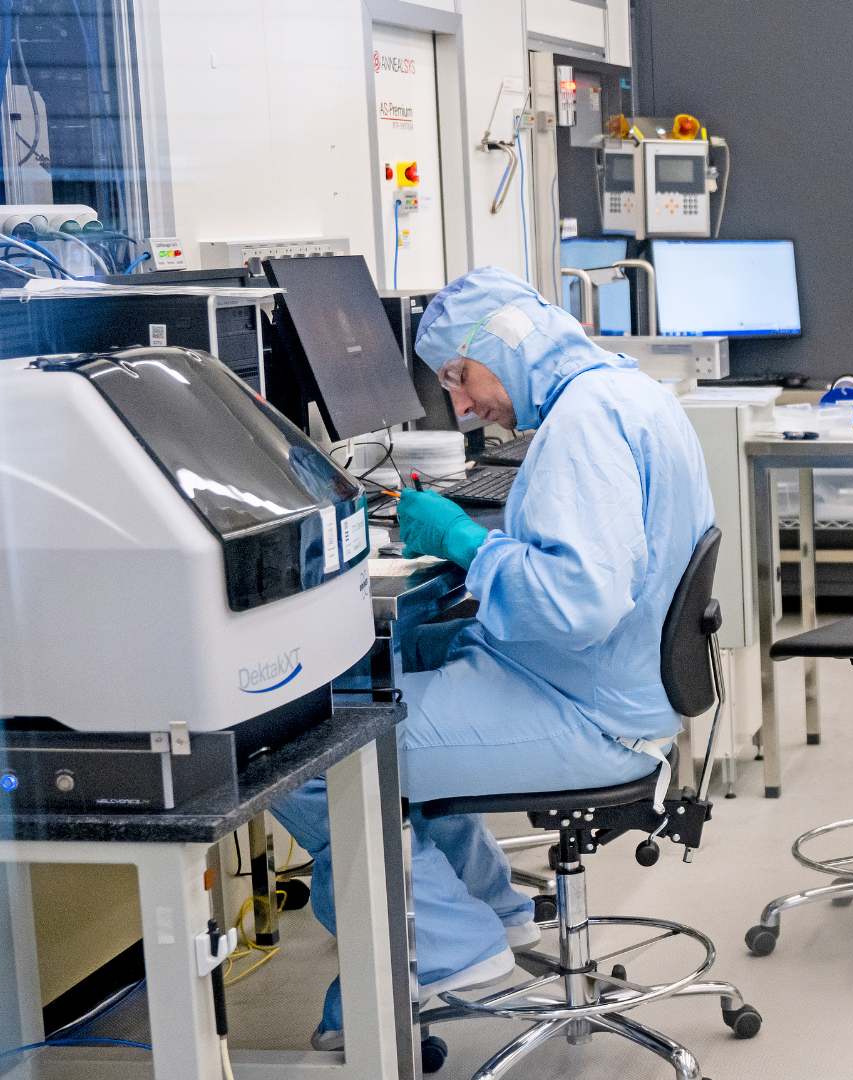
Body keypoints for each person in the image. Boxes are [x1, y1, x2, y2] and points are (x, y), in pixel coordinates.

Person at [270, 266, 716, 1048]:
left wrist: (466, 541)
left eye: (459, 377)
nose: (463, 404)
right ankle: (492, 908)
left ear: (505, 343)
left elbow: (576, 602)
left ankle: (446, 950)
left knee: (311, 757)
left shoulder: (584, 423)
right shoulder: (626, 393)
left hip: (591, 714)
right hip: (616, 688)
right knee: (399, 680)